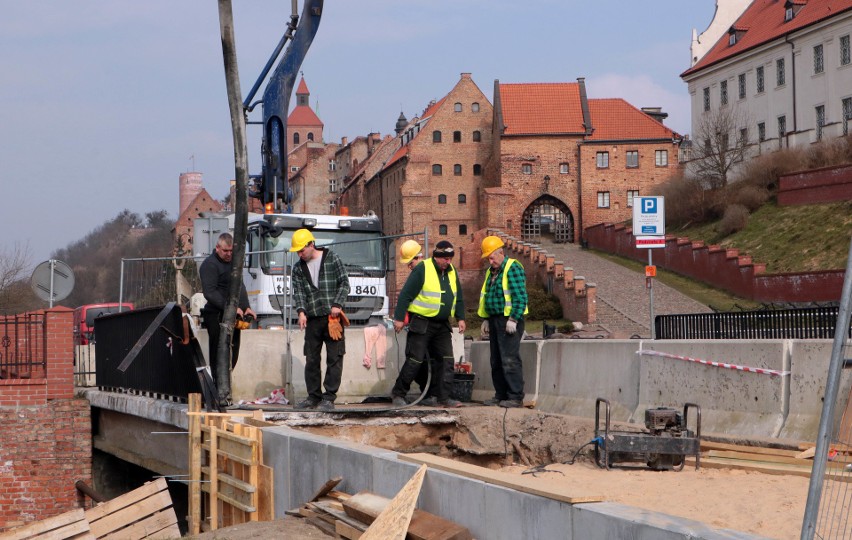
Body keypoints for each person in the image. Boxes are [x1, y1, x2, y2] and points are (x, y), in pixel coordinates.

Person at [391, 240, 466, 408]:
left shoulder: (451, 271)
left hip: (442, 325)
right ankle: (398, 393)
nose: (448, 261)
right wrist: (399, 318)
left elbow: (458, 296)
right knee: (415, 360)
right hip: (422, 323)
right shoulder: (422, 269)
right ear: (437, 257)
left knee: (446, 360)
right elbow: (405, 295)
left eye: (450, 258)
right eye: (445, 258)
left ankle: (442, 397)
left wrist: (461, 317)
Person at [289, 228, 351, 411]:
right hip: (313, 319)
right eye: (298, 252)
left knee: (335, 357)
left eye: (302, 250)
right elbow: (298, 292)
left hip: (333, 318)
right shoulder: (298, 268)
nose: (300, 254)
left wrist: (337, 305)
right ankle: (313, 397)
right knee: (312, 358)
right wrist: (301, 312)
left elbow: (344, 283)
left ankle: (329, 397)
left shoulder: (332, 258)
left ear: (311, 244)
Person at [199, 232, 256, 403]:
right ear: (218, 248)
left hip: (233, 314)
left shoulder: (233, 264)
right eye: (225, 251)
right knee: (219, 351)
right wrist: (230, 308)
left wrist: (246, 308)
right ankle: (219, 391)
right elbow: (210, 293)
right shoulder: (209, 265)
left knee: (233, 351)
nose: (229, 254)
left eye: (231, 251)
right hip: (215, 314)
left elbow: (240, 286)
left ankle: (226, 388)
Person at [478, 235, 528, 408]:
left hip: (509, 320)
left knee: (509, 359)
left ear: (500, 252)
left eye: (492, 257)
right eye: (488, 258)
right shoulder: (491, 272)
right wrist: (485, 319)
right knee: (497, 360)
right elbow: (487, 297)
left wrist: (513, 318)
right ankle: (500, 394)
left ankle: (515, 396)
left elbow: (520, 296)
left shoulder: (512, 267)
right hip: (495, 319)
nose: (490, 261)